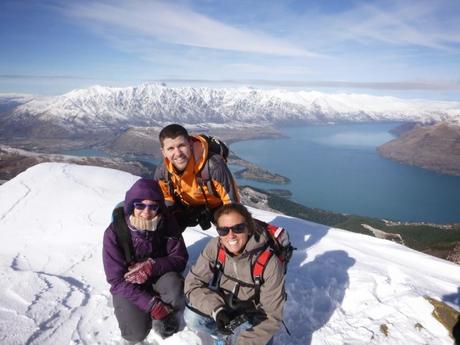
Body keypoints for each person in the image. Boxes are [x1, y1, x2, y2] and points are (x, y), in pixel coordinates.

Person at [183, 204, 285, 345]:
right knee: (193, 318)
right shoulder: (215, 247)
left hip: (254, 314)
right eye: (223, 230)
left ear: (249, 228)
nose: (230, 235)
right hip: (224, 305)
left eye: (238, 228)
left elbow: (271, 316)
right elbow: (192, 284)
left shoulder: (269, 263)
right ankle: (224, 336)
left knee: (260, 339)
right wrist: (217, 310)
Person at [102, 178, 188, 343]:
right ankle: (149, 310)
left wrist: (152, 266)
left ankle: (168, 318)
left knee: (175, 287)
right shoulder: (114, 233)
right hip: (128, 284)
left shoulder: (167, 224)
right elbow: (116, 280)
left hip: (159, 276)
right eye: (140, 205)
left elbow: (179, 258)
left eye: (153, 206)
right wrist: (151, 305)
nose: (146, 212)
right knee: (135, 335)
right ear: (131, 206)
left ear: (159, 207)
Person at [154, 123, 239, 231]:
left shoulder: (213, 166)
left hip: (215, 206)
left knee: (231, 228)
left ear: (190, 143)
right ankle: (172, 247)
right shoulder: (163, 172)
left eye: (181, 145)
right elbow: (166, 200)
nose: (178, 153)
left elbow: (231, 203)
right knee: (163, 225)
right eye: (170, 148)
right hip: (186, 206)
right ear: (163, 152)